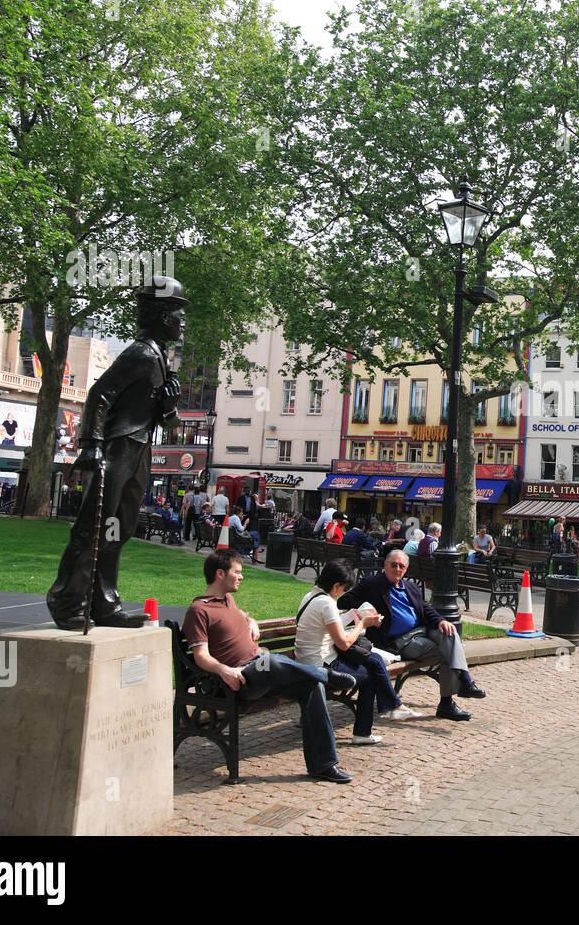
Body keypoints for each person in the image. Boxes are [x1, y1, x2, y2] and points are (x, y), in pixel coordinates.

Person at [46, 278, 187, 629]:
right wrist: (92, 445)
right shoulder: (141, 354)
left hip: (139, 448)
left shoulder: (159, 357)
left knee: (117, 530)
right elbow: (99, 395)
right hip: (117, 448)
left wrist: (169, 405)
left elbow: (165, 419)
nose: (183, 321)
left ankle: (103, 603)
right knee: (93, 527)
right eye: (178, 313)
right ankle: (67, 602)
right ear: (162, 315)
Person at [185, 549, 356, 782]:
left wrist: (250, 620)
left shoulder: (227, 600)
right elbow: (200, 656)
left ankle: (323, 765)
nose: (241, 576)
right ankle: (323, 673)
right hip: (238, 678)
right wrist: (225, 670)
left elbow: (240, 617)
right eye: (237, 572)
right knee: (272, 661)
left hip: (261, 669)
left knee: (311, 686)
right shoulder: (199, 610)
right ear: (220, 574)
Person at [339, 549, 485, 720]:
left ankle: (464, 685)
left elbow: (425, 609)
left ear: (406, 569)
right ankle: (450, 700)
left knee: (450, 633)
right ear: (385, 565)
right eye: (393, 565)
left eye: (401, 566)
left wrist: (440, 621)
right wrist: (369, 609)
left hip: (422, 631)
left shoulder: (410, 587)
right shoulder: (372, 584)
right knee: (449, 651)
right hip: (400, 641)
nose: (397, 569)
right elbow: (344, 601)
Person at [294, 560, 422, 745]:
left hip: (310, 659)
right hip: (321, 664)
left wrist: (352, 615)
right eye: (344, 589)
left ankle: (394, 707)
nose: (343, 592)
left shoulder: (311, 596)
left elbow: (328, 626)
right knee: (370, 677)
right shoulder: (326, 603)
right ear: (336, 585)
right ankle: (365, 730)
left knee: (374, 660)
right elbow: (344, 644)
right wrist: (362, 624)